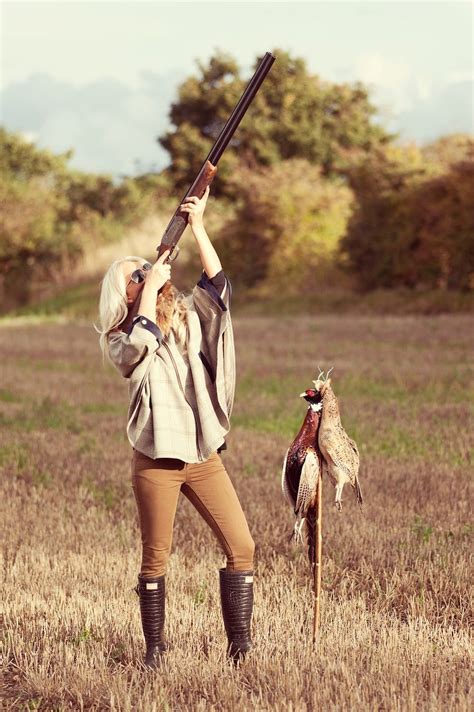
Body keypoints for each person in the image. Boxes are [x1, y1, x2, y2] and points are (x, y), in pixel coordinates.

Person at [95, 186, 255, 670]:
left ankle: (240, 649)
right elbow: (141, 344)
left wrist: (198, 226)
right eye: (135, 278)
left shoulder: (182, 314)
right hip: (157, 460)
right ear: (124, 295)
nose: (147, 277)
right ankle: (155, 653)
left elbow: (219, 289)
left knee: (243, 547)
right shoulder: (119, 337)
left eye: (144, 271)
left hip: (202, 458)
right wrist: (149, 288)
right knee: (155, 559)